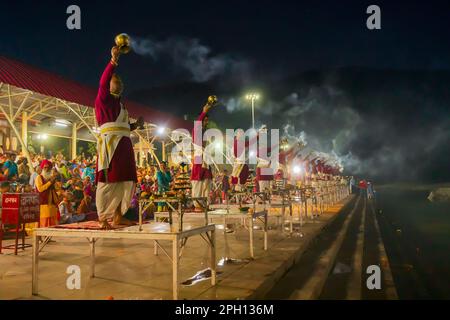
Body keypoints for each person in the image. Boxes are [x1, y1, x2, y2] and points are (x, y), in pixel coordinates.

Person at [94, 46, 144, 229]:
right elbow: (103, 82)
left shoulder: (122, 106)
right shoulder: (103, 100)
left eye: (121, 81)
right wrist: (113, 61)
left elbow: (123, 127)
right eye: (116, 80)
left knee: (127, 180)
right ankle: (102, 218)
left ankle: (118, 215)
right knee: (109, 181)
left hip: (125, 146)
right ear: (109, 85)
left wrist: (135, 126)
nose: (119, 83)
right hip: (111, 147)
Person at [191, 101, 213, 211]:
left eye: (207, 120)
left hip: (206, 158)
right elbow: (199, 123)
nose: (206, 122)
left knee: (207, 181)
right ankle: (197, 205)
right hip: (199, 156)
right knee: (197, 181)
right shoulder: (196, 129)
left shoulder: (205, 132)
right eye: (205, 120)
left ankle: (204, 204)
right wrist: (204, 112)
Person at [35, 159, 60, 227]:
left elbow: (57, 188)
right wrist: (50, 182)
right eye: (45, 167)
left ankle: (49, 235)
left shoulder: (51, 178)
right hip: (43, 202)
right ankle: (40, 235)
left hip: (51, 202)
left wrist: (54, 181)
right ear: (42, 168)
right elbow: (40, 189)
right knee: (44, 219)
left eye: (48, 168)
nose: (46, 169)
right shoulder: (39, 177)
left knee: (52, 219)